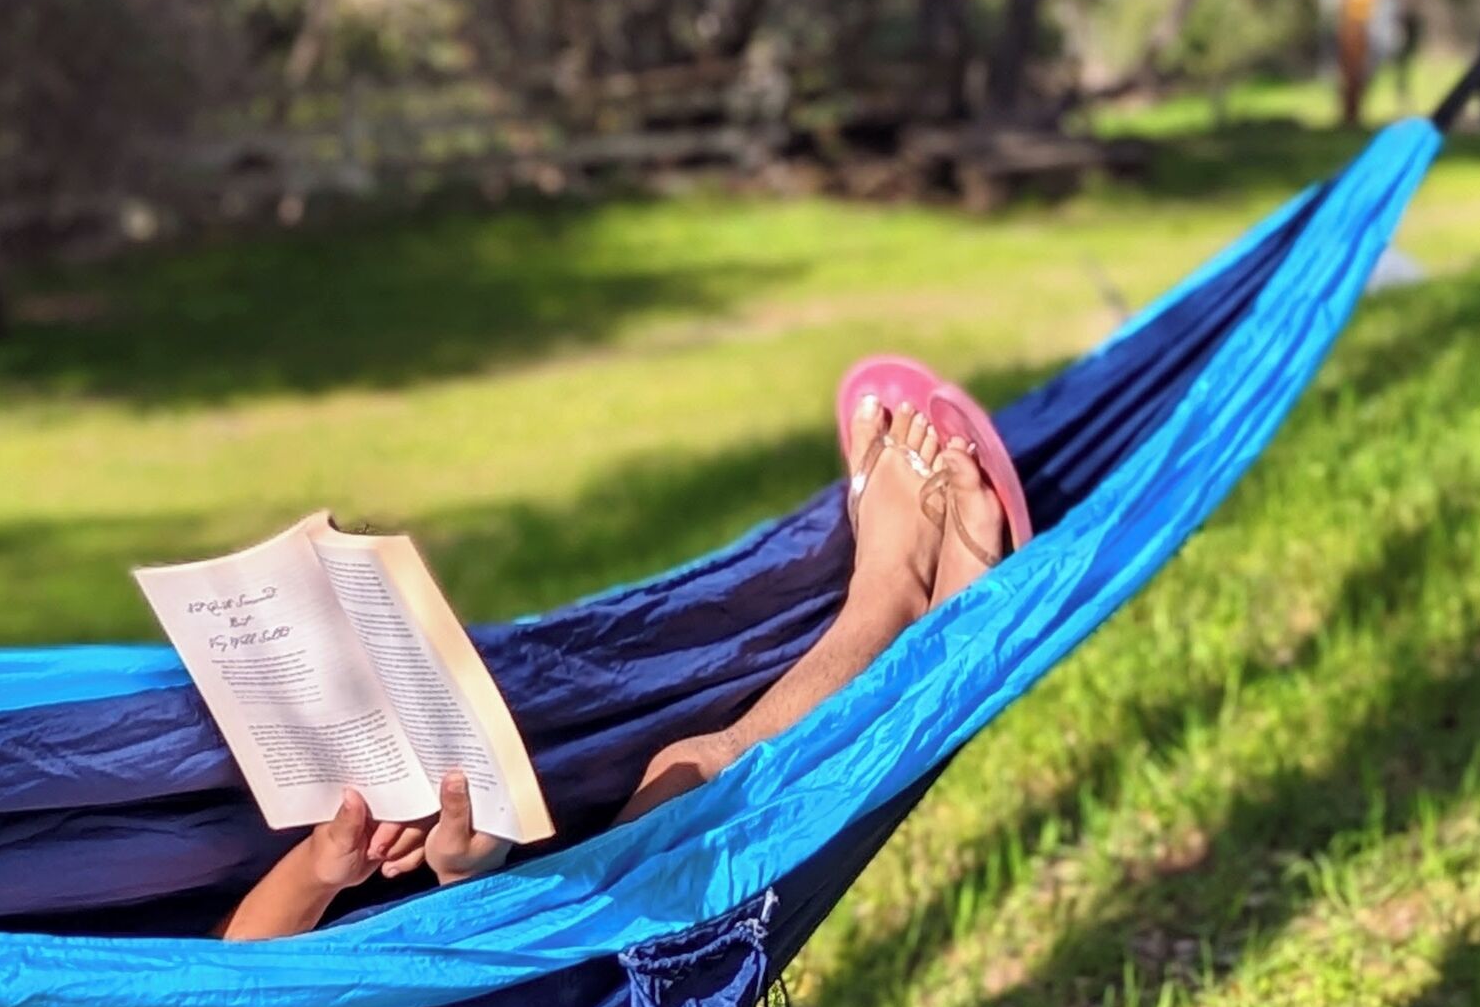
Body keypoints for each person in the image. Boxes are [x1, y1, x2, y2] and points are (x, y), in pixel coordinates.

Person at [219, 386, 1013, 941]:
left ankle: (896, 605)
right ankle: (899, 604)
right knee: (695, 790)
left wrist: (327, 868)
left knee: (685, 771)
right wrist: (469, 884)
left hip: (488, 968)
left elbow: (226, 974)